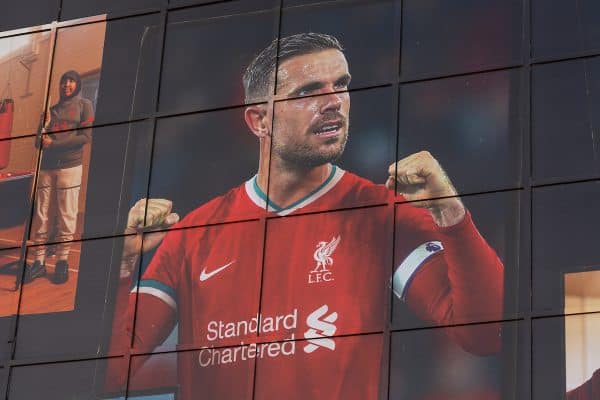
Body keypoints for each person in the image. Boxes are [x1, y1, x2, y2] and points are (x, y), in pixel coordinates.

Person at [109, 33, 504, 399]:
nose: (333, 101)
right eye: (308, 91)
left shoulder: (378, 215)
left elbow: (486, 334)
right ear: (259, 121)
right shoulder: (195, 233)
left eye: (342, 84)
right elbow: (111, 372)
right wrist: (121, 265)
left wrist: (452, 215)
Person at [24, 70, 94, 284]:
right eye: (64, 81)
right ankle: (39, 263)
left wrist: (54, 144)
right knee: (41, 216)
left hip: (70, 167)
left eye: (71, 81)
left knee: (67, 216)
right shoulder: (52, 110)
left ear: (77, 85)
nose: (67, 85)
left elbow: (85, 136)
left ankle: (62, 261)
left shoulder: (84, 106)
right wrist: (41, 125)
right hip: (47, 168)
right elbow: (38, 144)